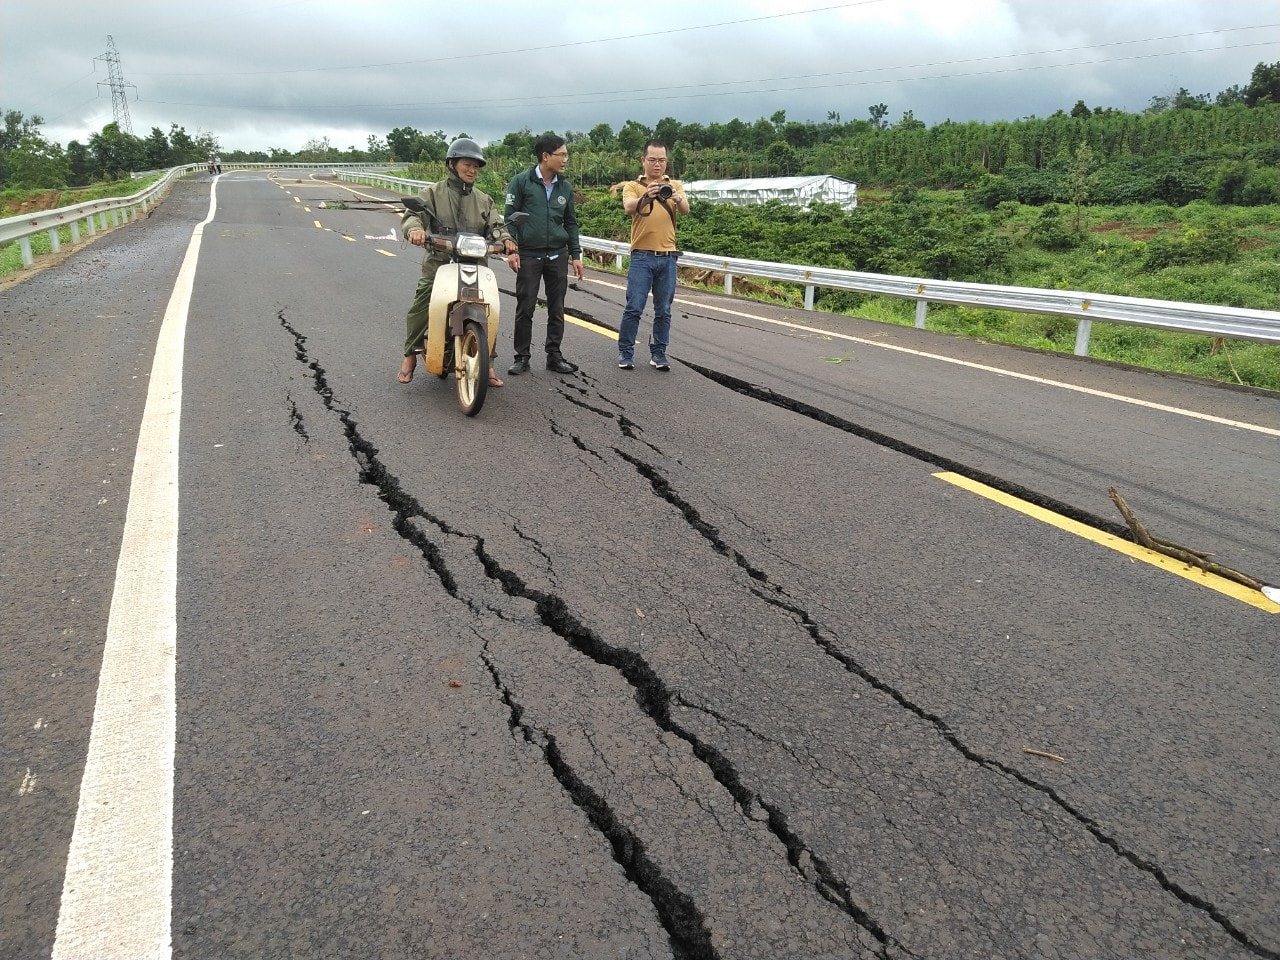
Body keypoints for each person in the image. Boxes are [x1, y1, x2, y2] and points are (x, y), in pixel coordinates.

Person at [397, 137, 516, 386]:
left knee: (490, 307)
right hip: (439, 264)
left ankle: (488, 363)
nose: (472, 170)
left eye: (476, 166)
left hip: (475, 266)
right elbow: (412, 216)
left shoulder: (484, 200)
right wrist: (415, 230)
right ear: (452, 164)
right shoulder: (432, 193)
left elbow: (495, 226)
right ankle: (410, 355)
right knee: (422, 304)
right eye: (467, 164)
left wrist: (506, 240)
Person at [503, 134, 584, 375]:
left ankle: (554, 356)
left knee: (556, 308)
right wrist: (512, 248)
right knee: (525, 307)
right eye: (562, 154)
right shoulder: (521, 182)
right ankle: (522, 357)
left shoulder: (565, 186)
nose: (566, 159)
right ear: (545, 156)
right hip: (528, 255)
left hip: (557, 255)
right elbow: (510, 218)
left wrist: (576, 255)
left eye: (566, 155)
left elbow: (570, 223)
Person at [618, 140, 690, 371]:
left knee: (664, 310)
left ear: (666, 162)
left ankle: (659, 354)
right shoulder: (634, 185)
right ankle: (625, 353)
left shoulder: (675, 185)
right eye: (652, 160)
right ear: (643, 160)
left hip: (668, 257)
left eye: (661, 160)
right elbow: (629, 207)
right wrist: (646, 196)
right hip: (642, 257)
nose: (657, 165)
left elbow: (686, 210)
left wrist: (677, 198)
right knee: (634, 306)